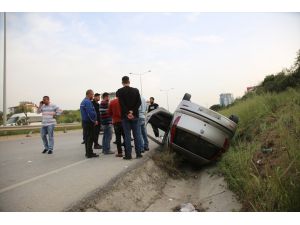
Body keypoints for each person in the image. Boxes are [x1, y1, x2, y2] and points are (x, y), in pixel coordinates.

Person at [116, 76, 142, 160]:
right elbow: (139, 102)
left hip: (125, 117)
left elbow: (121, 104)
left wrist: (128, 113)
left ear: (122, 82)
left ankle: (128, 155)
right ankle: (138, 154)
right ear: (129, 81)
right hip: (135, 116)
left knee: (127, 136)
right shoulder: (136, 90)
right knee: (137, 135)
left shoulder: (120, 91)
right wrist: (132, 112)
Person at [80, 89, 99, 158]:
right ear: (89, 94)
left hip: (85, 122)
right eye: (92, 95)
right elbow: (90, 113)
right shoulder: (87, 102)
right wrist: (94, 121)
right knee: (90, 138)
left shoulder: (83, 101)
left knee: (87, 138)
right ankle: (89, 153)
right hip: (89, 122)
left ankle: (87, 153)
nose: (93, 96)